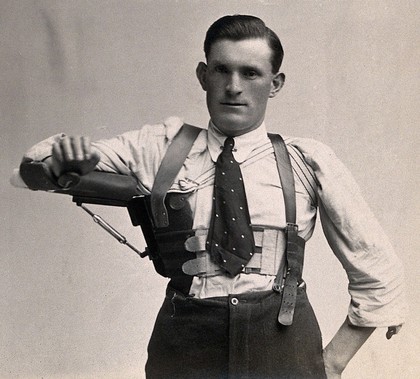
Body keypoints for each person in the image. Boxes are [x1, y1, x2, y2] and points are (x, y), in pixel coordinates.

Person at [15, 15, 406, 379]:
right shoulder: (161, 148)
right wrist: (64, 159)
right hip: (185, 348)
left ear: (275, 83)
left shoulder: (307, 160)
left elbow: (378, 270)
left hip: (283, 345)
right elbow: (32, 172)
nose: (234, 87)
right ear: (204, 75)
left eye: (250, 73)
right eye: (222, 70)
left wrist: (330, 365)